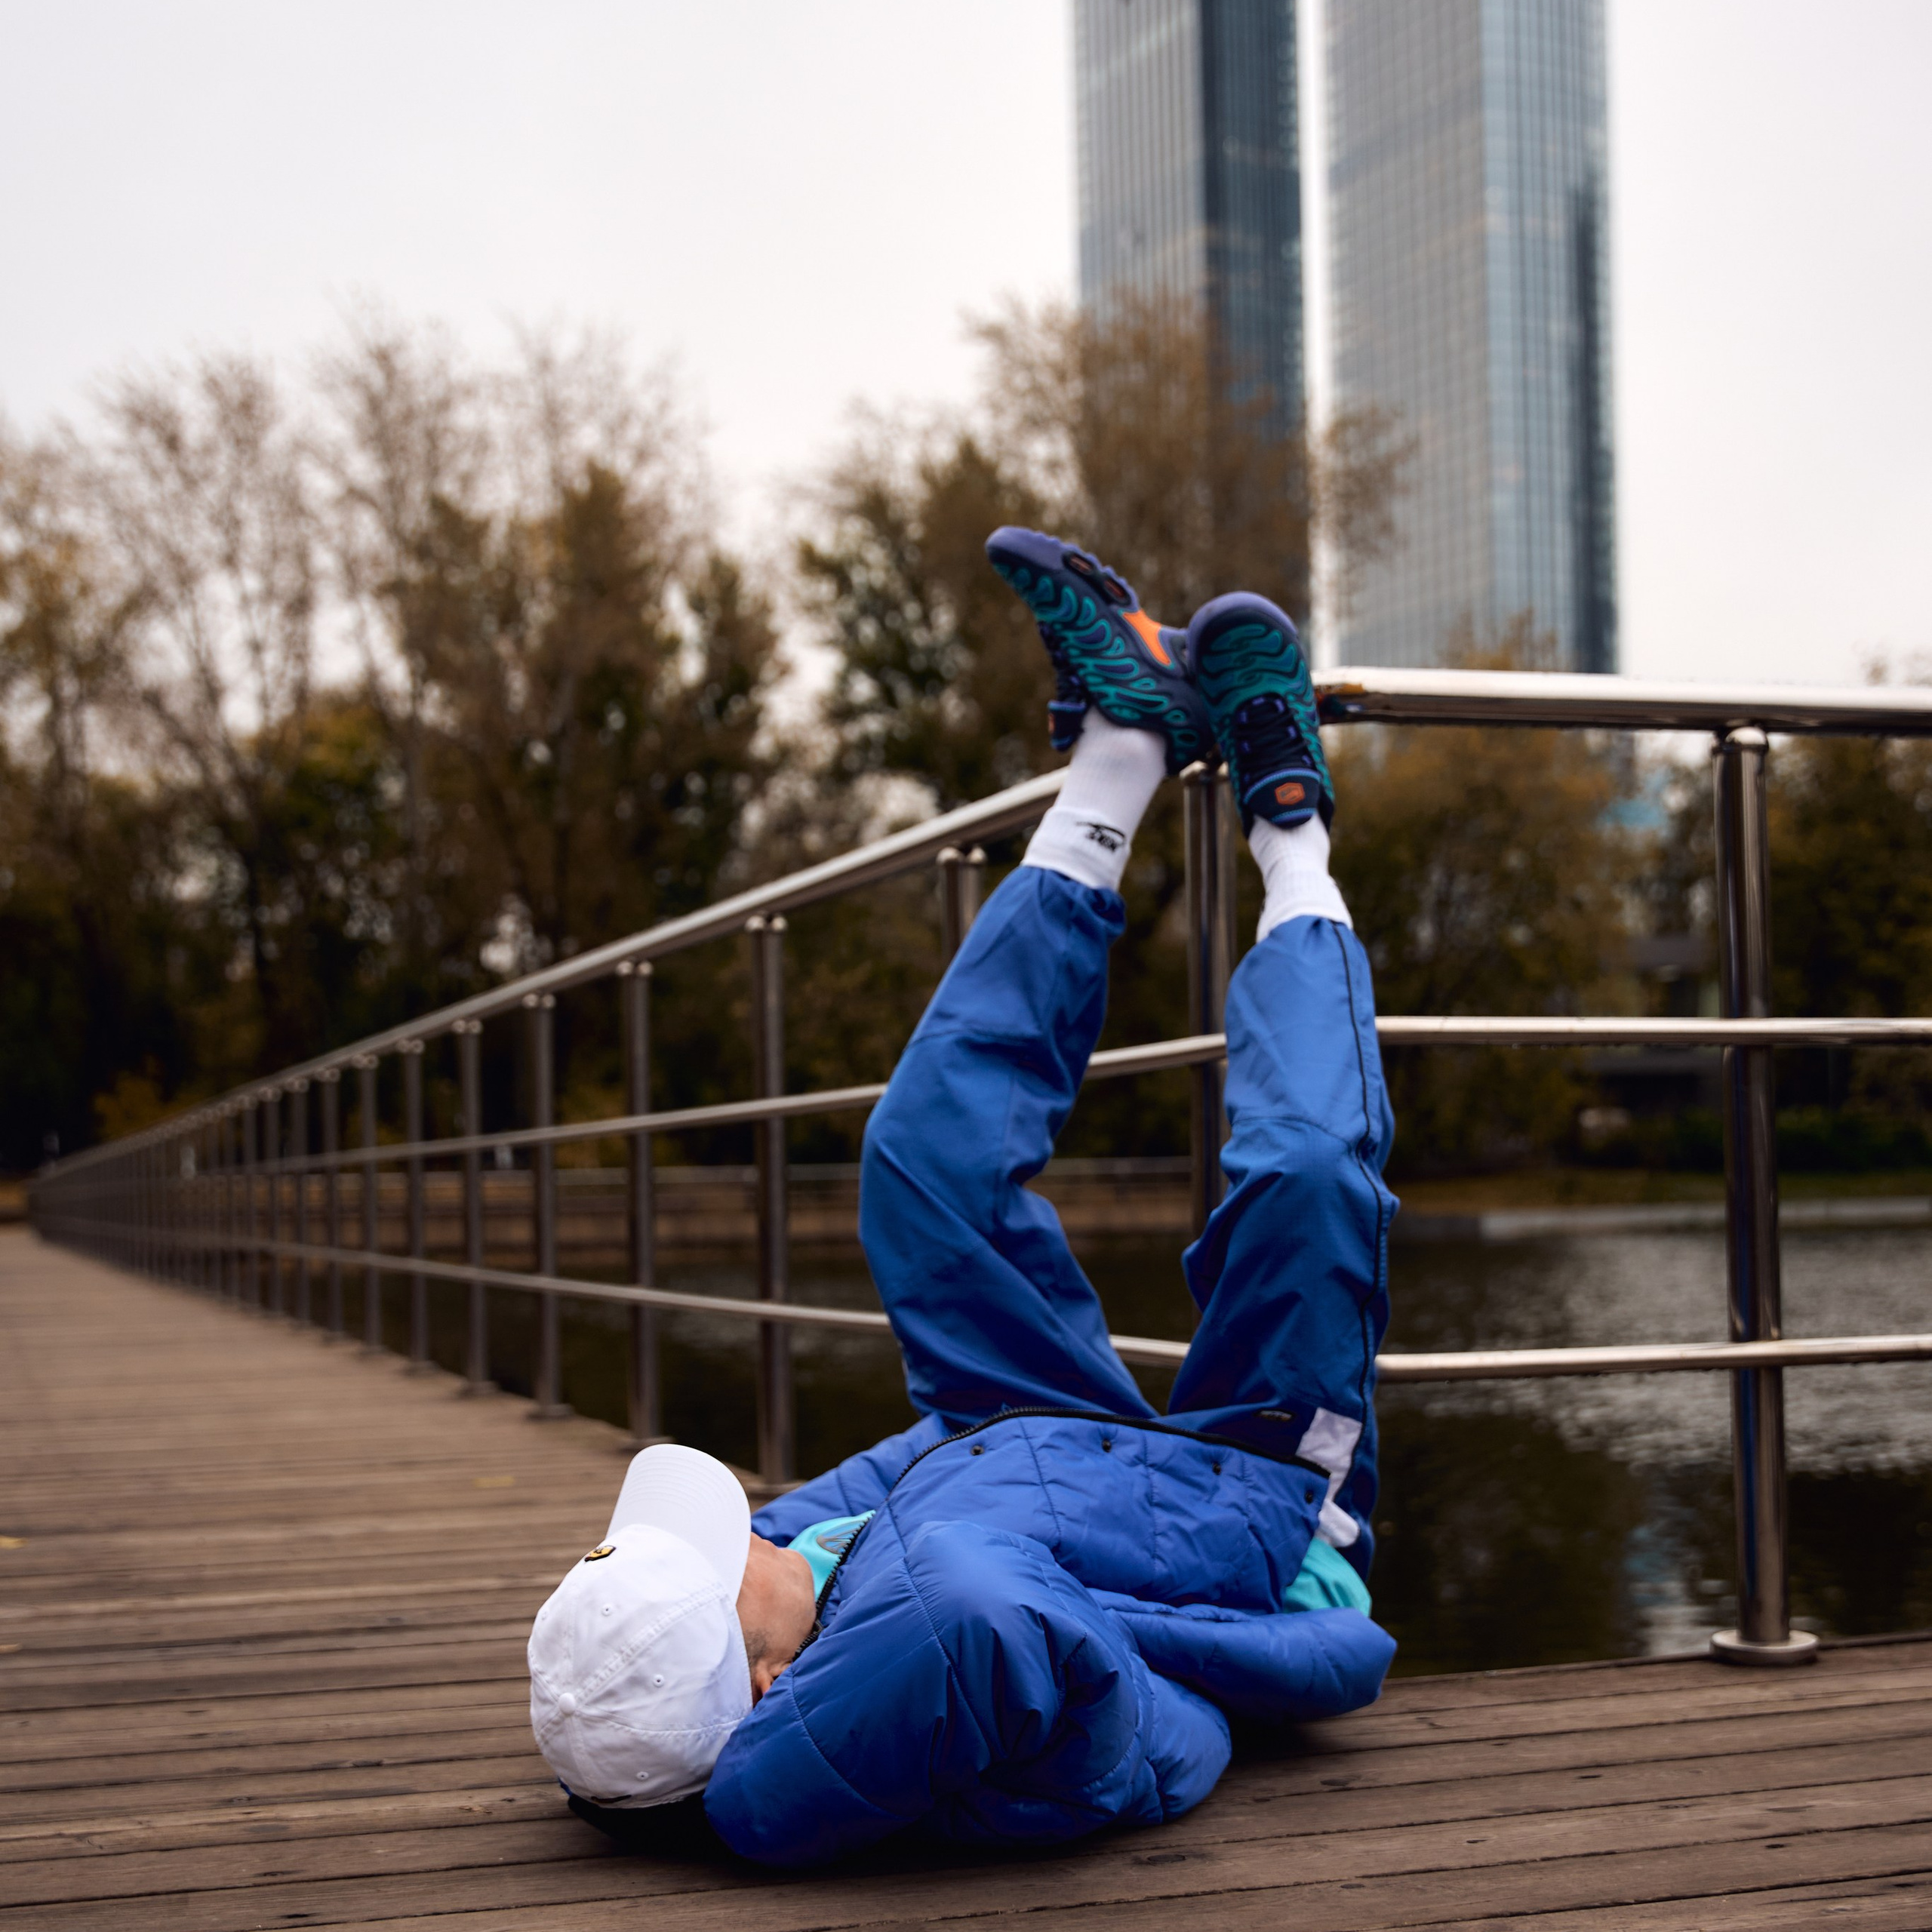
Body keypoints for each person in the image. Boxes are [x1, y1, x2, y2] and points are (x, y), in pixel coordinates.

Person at [527, 528, 1399, 1866]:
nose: (748, 1526)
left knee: (917, 1170)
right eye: (720, 1557)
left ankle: (1121, 753)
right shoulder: (947, 1675)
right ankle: (1296, 836)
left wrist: (790, 1564)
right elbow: (1066, 1678)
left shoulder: (792, 1572)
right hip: (1257, 1523)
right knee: (1303, 1185)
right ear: (766, 1688)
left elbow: (864, 1538)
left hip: (1027, 1433)